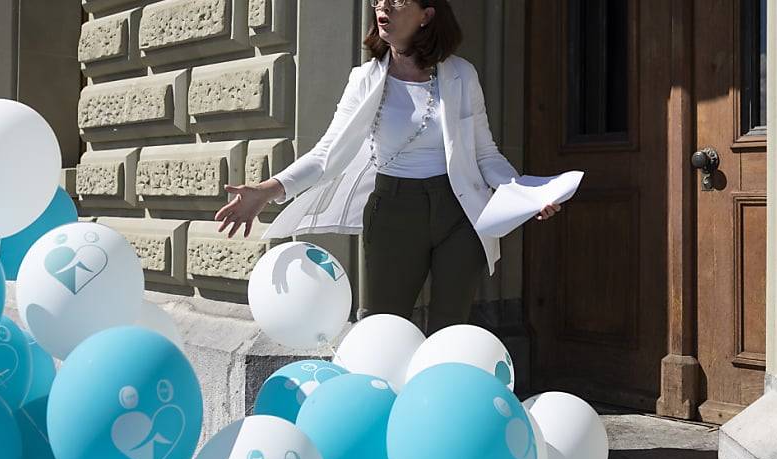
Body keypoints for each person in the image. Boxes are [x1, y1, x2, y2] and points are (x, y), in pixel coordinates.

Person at [215, 0, 560, 335]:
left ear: (426, 15)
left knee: (451, 328)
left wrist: (525, 194)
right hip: (394, 209)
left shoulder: (461, 74)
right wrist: (266, 190)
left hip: (460, 212)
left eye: (396, 1)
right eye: (379, 1)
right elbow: (326, 154)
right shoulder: (365, 79)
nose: (383, 7)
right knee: (385, 325)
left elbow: (485, 154)